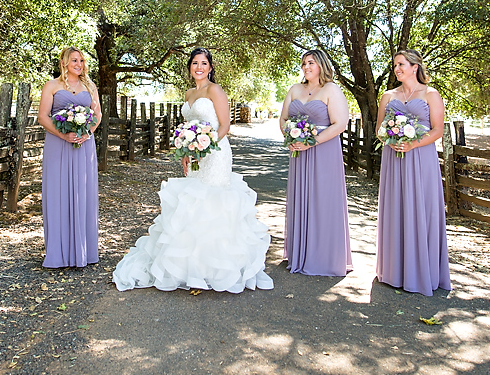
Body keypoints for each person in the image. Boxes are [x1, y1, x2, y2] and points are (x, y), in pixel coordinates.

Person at [113, 47, 274, 293]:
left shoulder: (214, 90)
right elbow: (189, 126)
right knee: (193, 204)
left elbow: (225, 126)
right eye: (195, 63)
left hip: (216, 153)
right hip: (196, 153)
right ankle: (191, 268)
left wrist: (207, 146)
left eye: (204, 63)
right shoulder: (189, 93)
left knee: (213, 204)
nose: (199, 67)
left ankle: (217, 269)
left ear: (210, 67)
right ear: (190, 67)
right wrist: (188, 151)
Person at [375, 49, 451, 296]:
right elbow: (378, 129)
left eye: (401, 65)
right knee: (396, 208)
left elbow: (438, 130)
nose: (396, 69)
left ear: (415, 67)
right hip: (393, 158)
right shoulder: (388, 96)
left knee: (421, 208)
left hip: (421, 158)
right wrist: (390, 137)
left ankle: (421, 271)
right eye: (395, 65)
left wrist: (412, 143)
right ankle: (394, 271)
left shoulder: (431, 94)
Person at [279, 49, 353, 276]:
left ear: (321, 64)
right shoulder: (294, 89)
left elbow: (340, 123)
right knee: (301, 196)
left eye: (311, 62)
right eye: (303, 63)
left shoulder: (331, 90)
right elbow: (283, 119)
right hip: (299, 153)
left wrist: (312, 142)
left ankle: (325, 256)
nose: (306, 67)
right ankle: (300, 252)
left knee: (323, 198)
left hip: (324, 151)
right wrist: (289, 136)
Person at [38, 47, 102, 269]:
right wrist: (63, 135)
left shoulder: (90, 86)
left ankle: (83, 251)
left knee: (82, 192)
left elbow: (98, 115)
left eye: (82, 60)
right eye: (74, 60)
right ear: (64, 62)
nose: (79, 64)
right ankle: (59, 252)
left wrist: (87, 132)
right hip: (58, 144)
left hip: (84, 145)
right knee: (58, 192)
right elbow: (42, 116)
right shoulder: (52, 86)